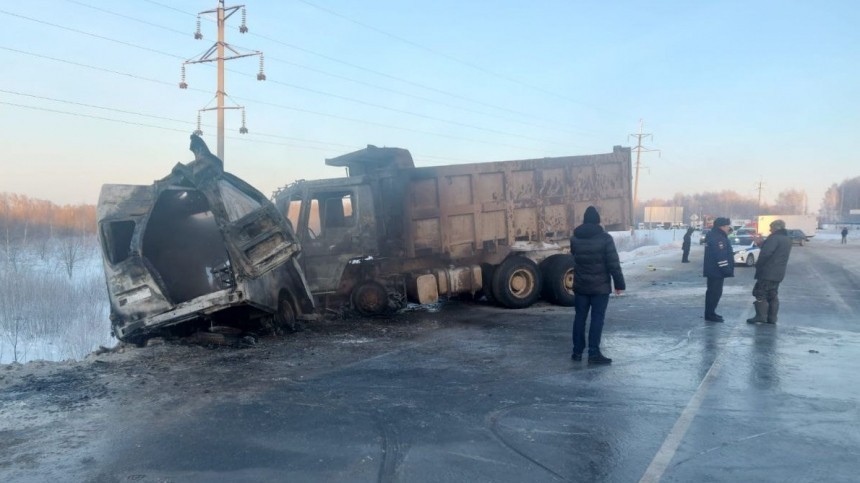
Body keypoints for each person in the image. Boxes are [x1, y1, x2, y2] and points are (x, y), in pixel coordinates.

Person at [569, 206, 626, 364]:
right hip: (600, 287)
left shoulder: (575, 239)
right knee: (597, 319)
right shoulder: (605, 239)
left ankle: (577, 352)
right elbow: (613, 263)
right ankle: (593, 353)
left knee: (579, 318)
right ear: (598, 220)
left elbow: (574, 257)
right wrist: (619, 284)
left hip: (581, 286)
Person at [747, 219, 792, 324]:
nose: (770, 229)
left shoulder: (773, 238)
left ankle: (761, 316)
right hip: (779, 273)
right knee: (772, 294)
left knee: (760, 293)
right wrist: (761, 243)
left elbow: (766, 253)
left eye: (771, 227)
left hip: (767, 272)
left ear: (776, 228)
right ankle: (772, 318)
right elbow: (776, 251)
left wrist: (758, 265)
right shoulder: (787, 239)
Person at [703, 217, 734, 322]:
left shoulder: (715, 235)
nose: (728, 228)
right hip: (716, 271)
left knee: (713, 293)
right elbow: (720, 255)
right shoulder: (718, 237)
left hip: (714, 271)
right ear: (722, 226)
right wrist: (726, 269)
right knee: (714, 293)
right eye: (727, 226)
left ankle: (711, 313)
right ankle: (710, 314)